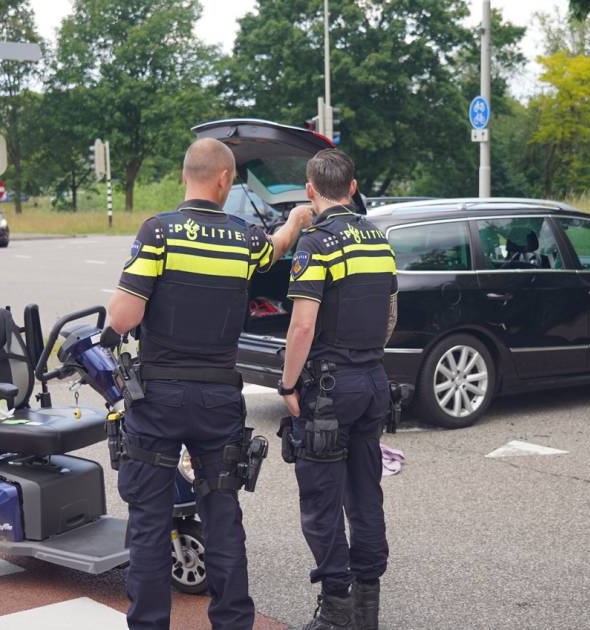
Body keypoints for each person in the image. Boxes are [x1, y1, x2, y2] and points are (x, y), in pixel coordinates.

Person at [106, 137, 312, 630]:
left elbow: (122, 317)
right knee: (223, 517)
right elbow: (277, 247)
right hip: (219, 399)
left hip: (156, 399)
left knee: (151, 525)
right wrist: (296, 220)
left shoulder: (159, 233)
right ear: (225, 180)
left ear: (186, 176)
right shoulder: (244, 239)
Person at [278, 149, 397, 630]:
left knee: (322, 502)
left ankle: (336, 610)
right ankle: (368, 607)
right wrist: (367, 358)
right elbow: (390, 316)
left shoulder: (317, 243)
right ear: (352, 186)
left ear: (310, 191)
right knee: (365, 494)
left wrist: (288, 382)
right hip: (373, 382)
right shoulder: (379, 239)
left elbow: (302, 327)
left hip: (328, 388)